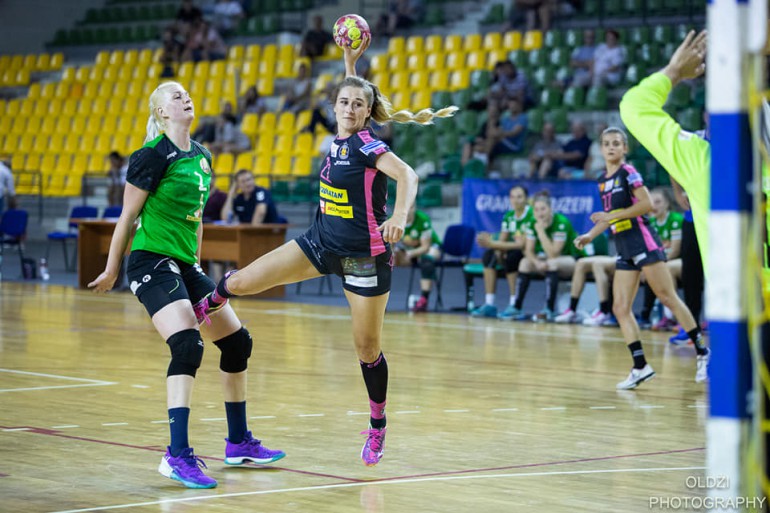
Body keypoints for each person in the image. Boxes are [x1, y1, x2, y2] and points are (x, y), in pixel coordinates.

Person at [192, 37, 457, 466]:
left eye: (358, 104)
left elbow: (408, 176)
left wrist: (401, 217)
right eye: (344, 102)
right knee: (240, 281)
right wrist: (350, 59)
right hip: (318, 243)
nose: (350, 108)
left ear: (367, 113)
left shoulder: (370, 147)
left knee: (367, 350)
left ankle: (377, 427)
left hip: (363, 258)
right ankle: (206, 305)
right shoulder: (337, 136)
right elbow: (351, 84)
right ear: (334, 106)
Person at [88, 81, 284, 489]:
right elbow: (127, 218)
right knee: (187, 344)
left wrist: (196, 265)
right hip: (150, 262)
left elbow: (195, 219)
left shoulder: (203, 156)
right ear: (161, 113)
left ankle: (238, 443)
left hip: (183, 263)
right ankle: (176, 455)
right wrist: (111, 270)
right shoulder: (150, 156)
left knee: (237, 342)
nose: (184, 98)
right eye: (174, 96)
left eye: (185, 93)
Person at [574, 127, 709, 389]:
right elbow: (609, 215)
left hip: (643, 241)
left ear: (625, 149)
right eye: (606, 144)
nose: (611, 147)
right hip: (624, 246)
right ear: (601, 149)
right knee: (620, 307)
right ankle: (640, 366)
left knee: (667, 296)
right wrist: (590, 235)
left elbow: (646, 205)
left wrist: (612, 216)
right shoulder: (602, 180)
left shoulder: (629, 172)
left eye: (616, 143)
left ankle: (704, 353)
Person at [509, 191, 578, 322]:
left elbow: (554, 253)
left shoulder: (561, 222)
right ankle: (516, 307)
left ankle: (549, 309)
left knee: (552, 263)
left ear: (550, 209)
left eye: (543, 209)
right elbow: (528, 251)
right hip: (546, 260)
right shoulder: (531, 222)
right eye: (536, 210)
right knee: (524, 263)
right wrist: (536, 263)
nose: (540, 213)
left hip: (571, 259)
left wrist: (540, 231)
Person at [471, 185, 533, 319]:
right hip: (512, 249)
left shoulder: (531, 216)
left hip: (530, 253)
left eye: (519, 197)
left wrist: (493, 243)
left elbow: (521, 245)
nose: (516, 200)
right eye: (512, 197)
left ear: (526, 199)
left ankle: (514, 304)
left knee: (512, 257)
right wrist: (497, 249)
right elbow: (503, 239)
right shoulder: (509, 216)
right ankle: (489, 304)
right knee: (489, 256)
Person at [640, 187, 684, 331]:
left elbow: (676, 250)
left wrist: (656, 263)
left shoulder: (676, 220)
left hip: (680, 261)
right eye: (651, 202)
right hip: (662, 261)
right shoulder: (650, 222)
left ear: (667, 203)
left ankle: (670, 317)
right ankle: (645, 315)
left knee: (661, 269)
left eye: (658, 202)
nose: (654, 206)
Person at [394, 203, 442, 312]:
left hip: (428, 247)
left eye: (411, 207)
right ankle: (377, 296)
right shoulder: (394, 219)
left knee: (426, 259)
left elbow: (425, 247)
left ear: (414, 208)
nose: (408, 211)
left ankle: (424, 299)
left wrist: (410, 254)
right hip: (408, 250)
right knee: (385, 260)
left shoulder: (422, 219)